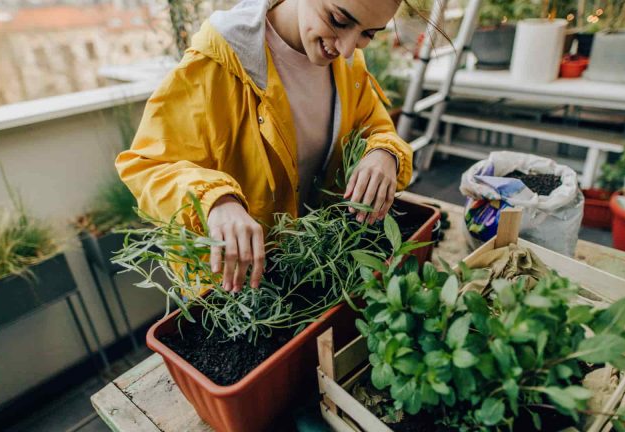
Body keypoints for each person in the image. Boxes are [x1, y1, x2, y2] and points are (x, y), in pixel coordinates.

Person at [116, 0, 413, 294]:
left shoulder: (347, 63)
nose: (348, 48)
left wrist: (384, 152)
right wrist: (216, 202)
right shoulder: (216, 62)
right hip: (238, 293)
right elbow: (146, 164)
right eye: (338, 20)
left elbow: (373, 126)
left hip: (316, 271)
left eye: (368, 34)